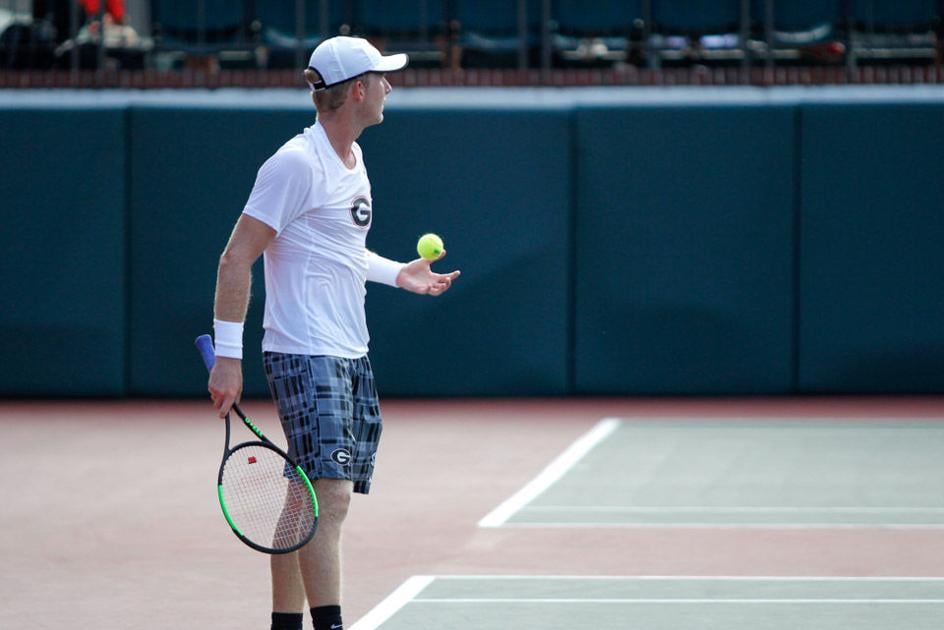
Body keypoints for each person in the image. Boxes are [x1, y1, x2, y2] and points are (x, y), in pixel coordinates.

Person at [207, 36, 460, 630]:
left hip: (349, 351)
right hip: (304, 349)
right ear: (356, 91)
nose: (390, 88)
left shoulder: (351, 159)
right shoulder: (295, 163)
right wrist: (227, 357)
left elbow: (339, 250)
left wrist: (399, 274)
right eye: (381, 78)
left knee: (307, 497)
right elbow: (235, 259)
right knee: (330, 496)